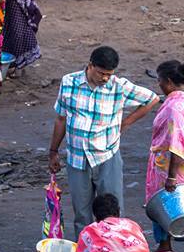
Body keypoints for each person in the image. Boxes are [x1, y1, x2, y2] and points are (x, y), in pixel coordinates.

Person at [49, 46, 160, 237]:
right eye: (102, 73)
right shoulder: (69, 82)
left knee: (112, 212)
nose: (105, 78)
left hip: (107, 156)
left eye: (109, 74)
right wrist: (53, 151)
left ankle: (114, 250)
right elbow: (61, 118)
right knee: (82, 213)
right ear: (90, 65)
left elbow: (152, 98)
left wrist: (124, 124)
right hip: (76, 158)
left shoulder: (119, 86)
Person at [146, 61, 184, 252]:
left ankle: (165, 246)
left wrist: (171, 176)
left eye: (160, 80)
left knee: (170, 207)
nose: (158, 84)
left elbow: (177, 145)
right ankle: (164, 245)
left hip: (171, 169)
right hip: (169, 166)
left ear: (168, 81)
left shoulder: (174, 108)